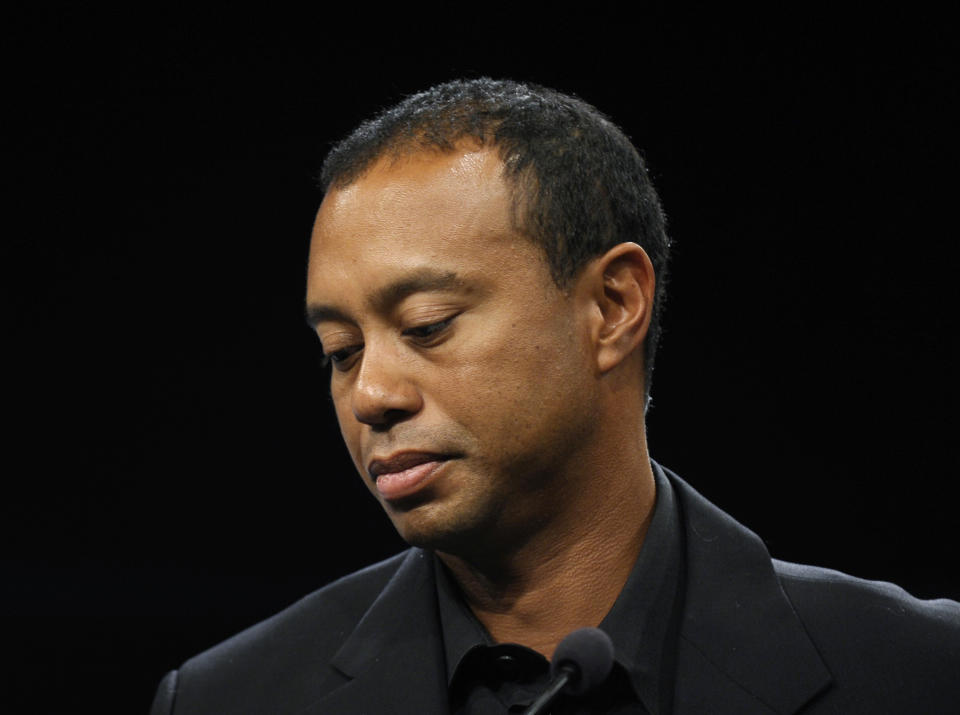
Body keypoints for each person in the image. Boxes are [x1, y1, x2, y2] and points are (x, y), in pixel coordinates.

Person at [150, 79, 959, 714]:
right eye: (340, 350)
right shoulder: (228, 698)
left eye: (427, 325)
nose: (371, 394)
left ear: (612, 307)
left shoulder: (920, 674)